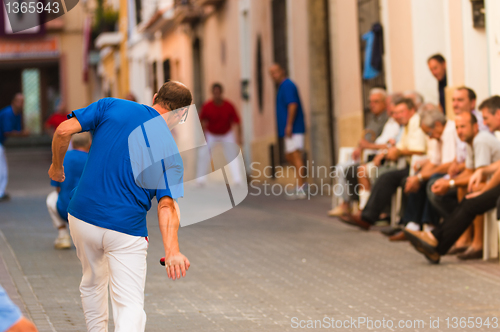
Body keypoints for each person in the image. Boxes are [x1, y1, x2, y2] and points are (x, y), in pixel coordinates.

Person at [48, 81, 192, 331]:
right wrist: (172, 250)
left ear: (155, 97)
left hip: (81, 218)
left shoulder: (110, 105)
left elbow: (62, 131)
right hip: (125, 230)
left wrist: (56, 167)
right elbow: (166, 205)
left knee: (92, 283)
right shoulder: (170, 152)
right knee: (129, 304)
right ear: (181, 114)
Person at [405, 96, 500, 263]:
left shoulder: (482, 139)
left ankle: (436, 241)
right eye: (457, 127)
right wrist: (481, 173)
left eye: (485, 118)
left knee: (472, 199)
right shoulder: (477, 140)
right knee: (469, 199)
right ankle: (436, 243)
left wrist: (482, 188)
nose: (485, 123)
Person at [340, 98, 427, 229]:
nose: (397, 116)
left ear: (412, 110)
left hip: (415, 166)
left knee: (385, 177)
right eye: (396, 113)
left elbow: (419, 150)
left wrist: (396, 152)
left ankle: (369, 217)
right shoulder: (405, 125)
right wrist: (390, 152)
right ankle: (364, 213)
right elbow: (398, 146)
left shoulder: (416, 122)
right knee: (363, 171)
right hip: (402, 163)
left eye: (401, 112)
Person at [388, 106, 458, 241]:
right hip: (445, 171)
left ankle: (429, 226)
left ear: (437, 125)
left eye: (429, 133)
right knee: (417, 180)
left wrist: (420, 177)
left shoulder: (449, 132)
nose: (429, 137)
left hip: (453, 173)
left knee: (431, 181)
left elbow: (447, 165)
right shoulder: (438, 135)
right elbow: (434, 162)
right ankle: (412, 225)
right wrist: (416, 178)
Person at [328, 88, 390, 216]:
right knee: (342, 168)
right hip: (368, 154)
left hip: (378, 157)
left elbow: (384, 143)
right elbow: (366, 138)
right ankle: (348, 204)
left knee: (355, 170)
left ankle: (364, 209)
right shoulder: (373, 118)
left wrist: (368, 146)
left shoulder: (388, 120)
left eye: (376, 102)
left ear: (385, 103)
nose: (372, 105)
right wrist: (359, 147)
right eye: (370, 102)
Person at [46, 133, 91, 250]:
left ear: (72, 143)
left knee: (51, 199)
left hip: (64, 208)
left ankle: (63, 235)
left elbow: (57, 188)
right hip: (89, 211)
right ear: (90, 143)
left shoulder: (62, 158)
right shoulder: (93, 159)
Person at [269, 64, 307, 199]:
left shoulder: (287, 85)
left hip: (293, 128)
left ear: (282, 71)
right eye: (271, 73)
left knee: (295, 156)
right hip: (289, 129)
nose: (274, 75)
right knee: (289, 156)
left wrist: (289, 125)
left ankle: (301, 188)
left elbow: (292, 104)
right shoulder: (282, 87)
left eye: (275, 72)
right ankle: (302, 184)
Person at [196, 83, 243, 185]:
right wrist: (203, 134)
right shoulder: (207, 106)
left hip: (226, 133)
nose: (217, 95)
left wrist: (239, 138)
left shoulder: (229, 106)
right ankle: (200, 180)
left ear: (221, 93)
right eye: (215, 92)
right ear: (212, 93)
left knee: (233, 155)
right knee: (203, 154)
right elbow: (201, 120)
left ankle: (237, 179)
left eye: (218, 92)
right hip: (211, 134)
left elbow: (237, 122)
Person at [0, 93, 29, 202]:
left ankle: (1, 191)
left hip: (1, 143)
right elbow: (8, 132)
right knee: (2, 169)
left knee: (2, 168)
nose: (21, 104)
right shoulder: (8, 113)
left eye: (22, 101)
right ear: (14, 102)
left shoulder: (17, 114)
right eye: (19, 101)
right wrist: (22, 134)